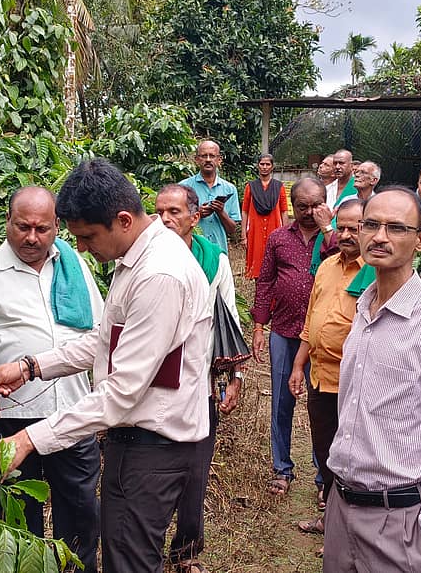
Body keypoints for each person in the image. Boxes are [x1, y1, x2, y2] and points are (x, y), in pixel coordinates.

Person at [0, 159, 213, 573]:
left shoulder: (158, 274)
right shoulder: (138, 260)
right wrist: (29, 367)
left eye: (89, 237)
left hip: (153, 448)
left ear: (123, 220)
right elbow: (105, 339)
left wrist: (24, 441)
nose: (84, 249)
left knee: (127, 562)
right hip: (136, 444)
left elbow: (120, 392)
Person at [323, 186, 421, 572]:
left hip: (399, 523)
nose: (380, 237)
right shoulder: (363, 307)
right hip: (340, 508)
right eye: (371, 225)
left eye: (396, 228)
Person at [0, 186, 104, 572]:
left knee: (80, 512)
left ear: (57, 226)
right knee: (18, 518)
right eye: (23, 227)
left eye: (42, 229)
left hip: (73, 413)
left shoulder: (75, 265)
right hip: (11, 419)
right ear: (7, 221)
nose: (32, 237)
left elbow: (100, 332)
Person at [155, 184, 243, 573]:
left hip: (199, 384)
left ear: (195, 218)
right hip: (153, 385)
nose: (165, 219)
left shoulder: (215, 262)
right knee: (153, 468)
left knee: (195, 470)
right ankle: (146, 545)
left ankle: (186, 552)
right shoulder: (143, 260)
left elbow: (230, 321)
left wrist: (236, 375)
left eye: (174, 211)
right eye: (159, 211)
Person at [289, 198, 372, 542]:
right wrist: (298, 365)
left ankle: (349, 534)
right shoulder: (326, 267)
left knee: (354, 461)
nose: (349, 234)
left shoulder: (375, 273)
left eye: (357, 227)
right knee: (325, 453)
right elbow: (311, 320)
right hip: (320, 378)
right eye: (344, 227)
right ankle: (331, 523)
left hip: (356, 385)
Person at [250, 177, 325, 496]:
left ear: (326, 202)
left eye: (316, 204)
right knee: (281, 401)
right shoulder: (280, 238)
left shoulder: (338, 238)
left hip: (324, 339)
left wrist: (330, 226)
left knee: (323, 406)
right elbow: (265, 281)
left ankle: (325, 477)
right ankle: (282, 469)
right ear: (292, 206)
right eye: (302, 206)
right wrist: (258, 325)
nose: (309, 212)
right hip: (283, 330)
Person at [179, 140, 240, 253]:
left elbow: (232, 230)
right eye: (203, 156)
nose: (208, 159)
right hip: (191, 252)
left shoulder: (229, 189)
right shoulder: (183, 187)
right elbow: (177, 222)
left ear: (219, 159)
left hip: (219, 252)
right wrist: (198, 214)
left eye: (212, 156)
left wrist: (221, 212)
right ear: (197, 159)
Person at [240, 154, 289, 279]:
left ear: (272, 166)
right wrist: (243, 235)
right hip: (255, 232)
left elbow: (284, 211)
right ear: (258, 165)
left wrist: (287, 234)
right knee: (257, 267)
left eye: (268, 164)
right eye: (262, 164)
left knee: (275, 266)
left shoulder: (279, 187)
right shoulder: (250, 187)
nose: (265, 167)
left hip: (275, 229)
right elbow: (245, 211)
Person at [311, 149, 355, 274]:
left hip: (348, 240)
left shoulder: (358, 189)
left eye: (341, 163)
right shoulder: (326, 189)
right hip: (322, 239)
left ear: (351, 166)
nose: (337, 167)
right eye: (335, 163)